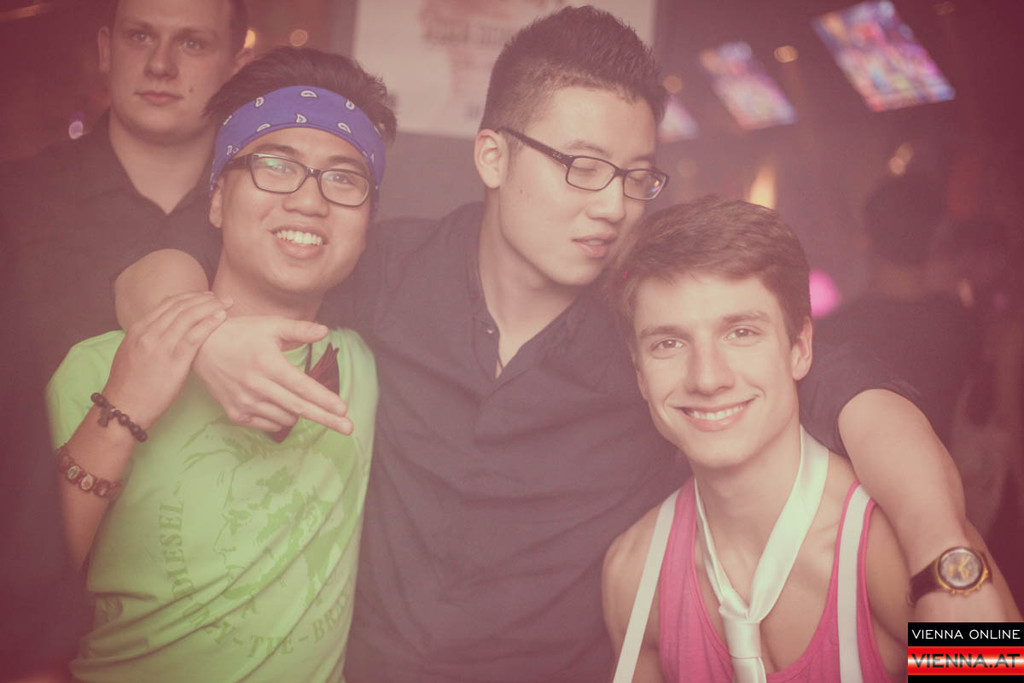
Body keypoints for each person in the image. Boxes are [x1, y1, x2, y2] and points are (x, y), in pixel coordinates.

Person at [115, 7, 1009, 681]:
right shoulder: (388, 269)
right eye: (581, 167)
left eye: (634, 176)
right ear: (493, 155)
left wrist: (949, 562)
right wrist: (207, 335)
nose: (611, 204)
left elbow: (854, 388)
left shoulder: (655, 337)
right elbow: (159, 260)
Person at [45, 46, 396, 681]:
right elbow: (25, 587)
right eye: (275, 166)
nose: (309, 201)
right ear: (216, 200)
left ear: (369, 219)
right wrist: (123, 408)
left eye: (344, 178)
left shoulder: (370, 367)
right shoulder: (101, 366)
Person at [601, 197, 1019, 683]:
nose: (707, 378)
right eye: (669, 343)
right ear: (640, 373)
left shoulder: (900, 555)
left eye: (741, 332)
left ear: (800, 349)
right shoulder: (634, 574)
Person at [0, 0, 252, 378]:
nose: (160, 65)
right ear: (106, 50)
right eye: (140, 36)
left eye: (192, 43)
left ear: (237, 68)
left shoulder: (270, 209)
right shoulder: (14, 201)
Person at [818, 174, 981, 446]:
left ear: (865, 239)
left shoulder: (832, 335)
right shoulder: (963, 323)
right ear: (933, 241)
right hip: (945, 469)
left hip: (861, 473)